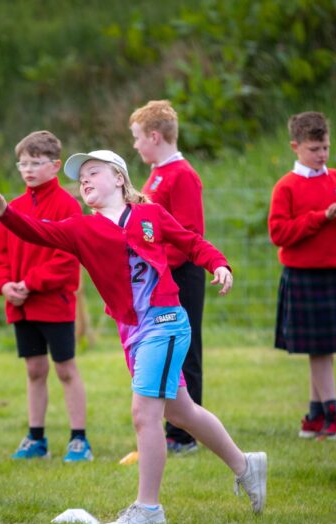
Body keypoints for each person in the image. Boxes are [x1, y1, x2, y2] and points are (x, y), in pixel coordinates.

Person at [0, 150, 266, 524]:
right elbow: (38, 231)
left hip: (165, 322)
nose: (85, 181)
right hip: (132, 333)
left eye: (93, 173)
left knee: (145, 416)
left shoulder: (151, 215)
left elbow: (192, 242)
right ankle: (247, 465)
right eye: (81, 179)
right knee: (181, 412)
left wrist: (220, 263)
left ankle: (148, 510)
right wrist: (4, 213)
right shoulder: (82, 228)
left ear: (118, 178)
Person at [0, 131, 91, 461]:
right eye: (23, 163)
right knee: (35, 370)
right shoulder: (12, 209)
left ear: (56, 165)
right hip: (21, 306)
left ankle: (79, 440)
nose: (28, 169)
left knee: (65, 369)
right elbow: (1, 255)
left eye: (36, 162)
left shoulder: (68, 206)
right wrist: (5, 285)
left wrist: (30, 283)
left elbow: (67, 260)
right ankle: (36, 439)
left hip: (54, 304)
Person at [267, 112, 336, 439]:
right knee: (318, 349)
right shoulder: (286, 187)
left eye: (326, 147)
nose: (322, 155)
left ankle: (317, 414)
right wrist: (320, 217)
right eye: (315, 148)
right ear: (295, 146)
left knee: (324, 348)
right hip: (302, 275)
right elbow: (279, 232)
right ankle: (332, 412)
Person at [129, 100, 206, 454]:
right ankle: (172, 427)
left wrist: (155, 261)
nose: (135, 145)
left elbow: (189, 235)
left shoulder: (182, 175)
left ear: (155, 136)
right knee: (167, 351)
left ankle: (185, 435)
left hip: (183, 275)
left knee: (186, 351)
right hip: (164, 277)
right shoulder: (157, 172)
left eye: (137, 138)